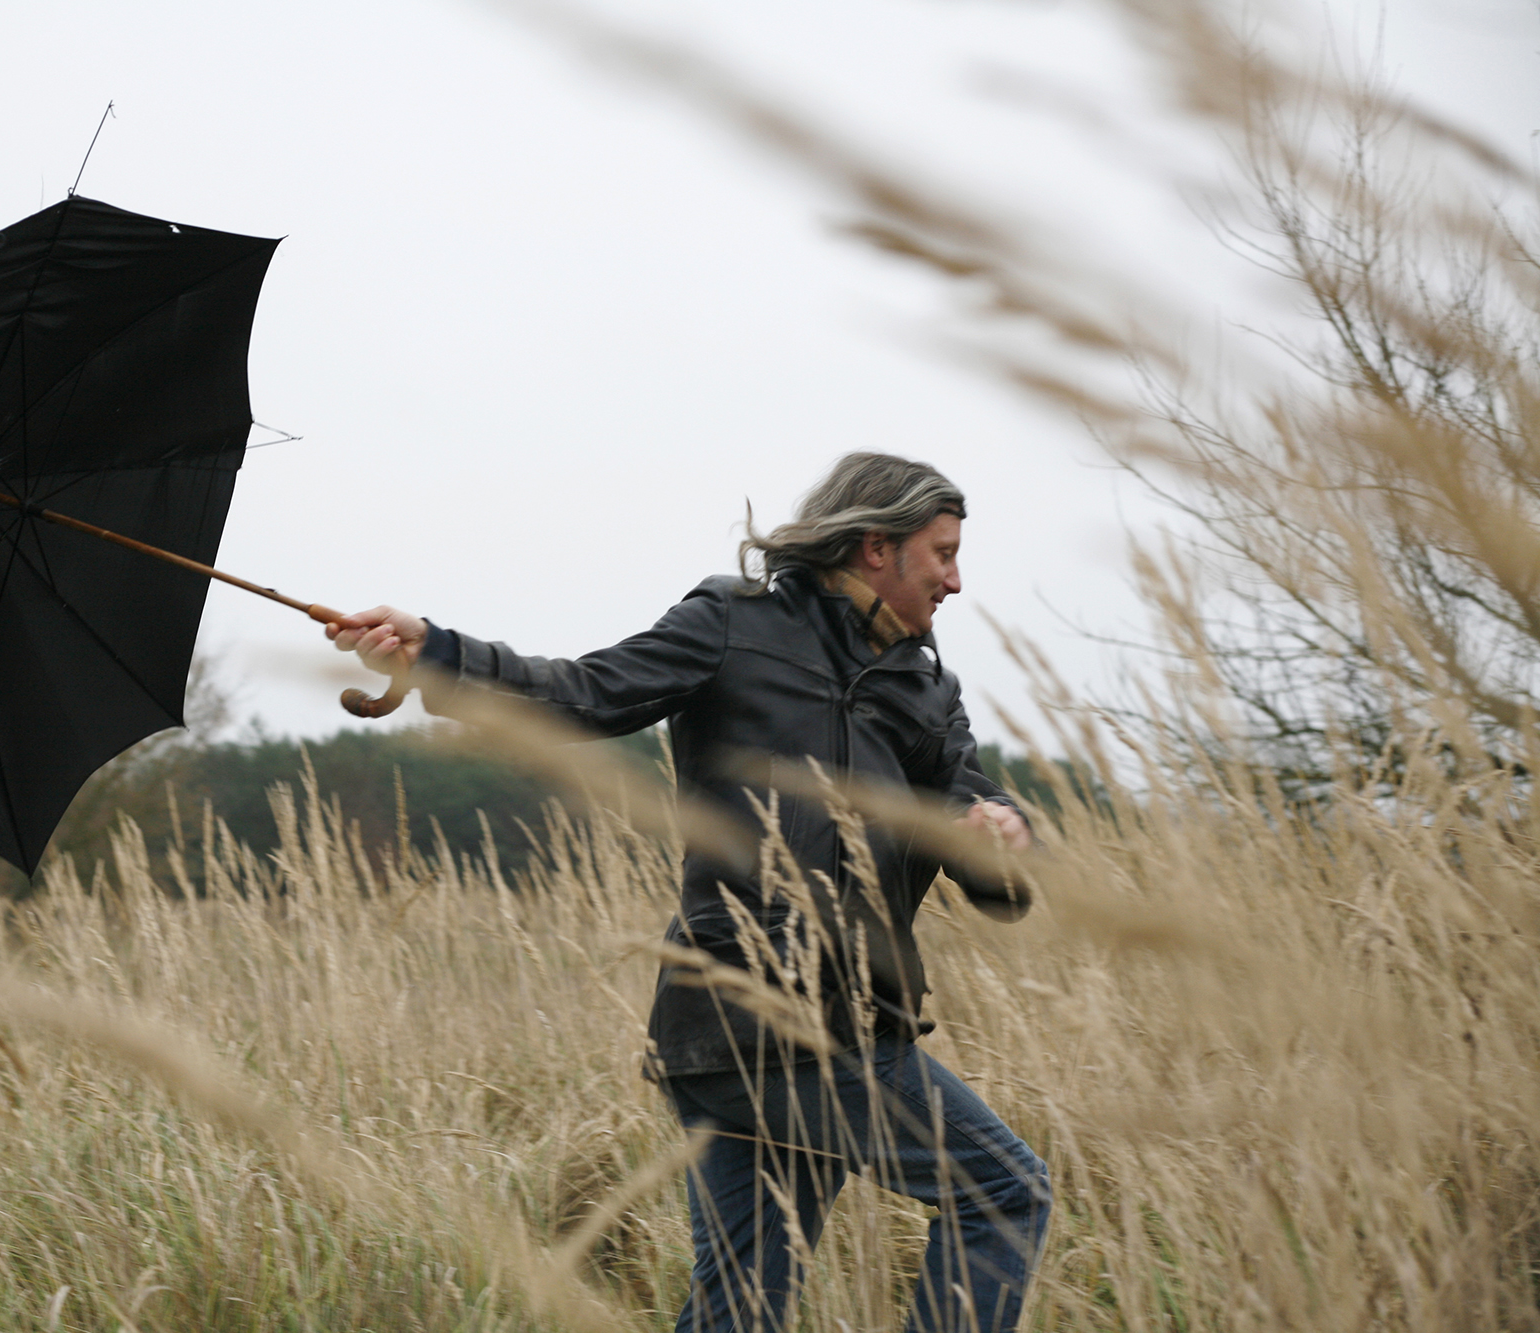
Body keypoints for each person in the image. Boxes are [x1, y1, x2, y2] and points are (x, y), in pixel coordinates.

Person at [328, 453, 1050, 1333]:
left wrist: (1003, 835)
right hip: (767, 1019)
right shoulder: (733, 624)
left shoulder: (926, 691)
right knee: (1004, 1195)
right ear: (874, 547)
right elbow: (585, 694)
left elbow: (989, 856)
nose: (956, 579)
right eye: (941, 553)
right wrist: (438, 649)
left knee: (737, 1307)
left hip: (804, 1026)